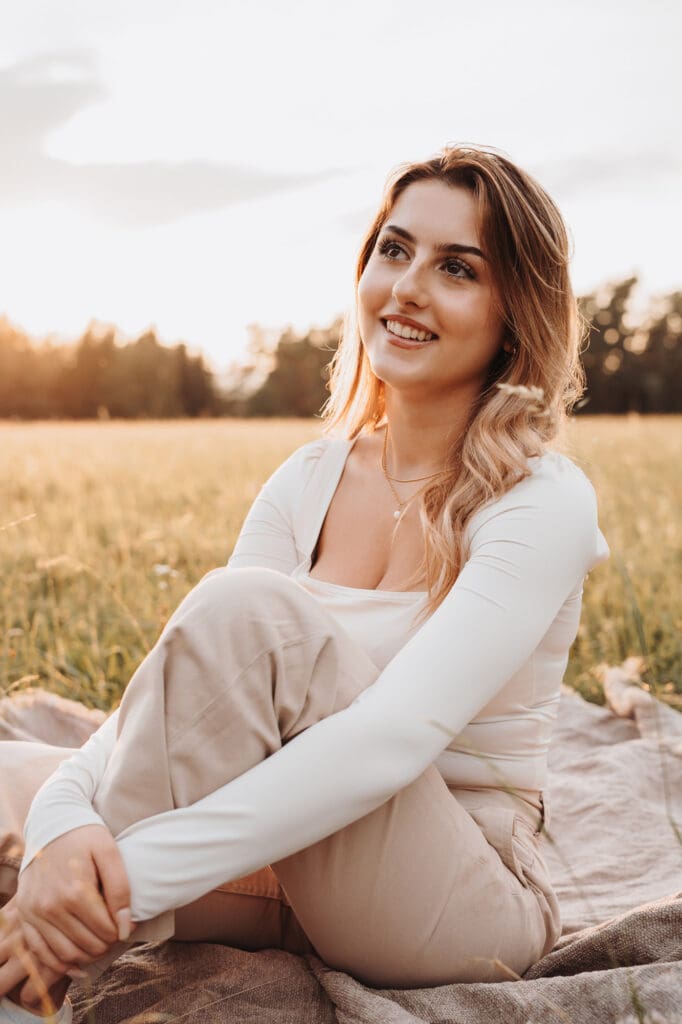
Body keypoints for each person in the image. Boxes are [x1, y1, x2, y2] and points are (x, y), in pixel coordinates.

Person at [0, 143, 609, 1023]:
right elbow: (175, 690)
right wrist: (64, 824)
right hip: (287, 864)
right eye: (393, 250)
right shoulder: (309, 477)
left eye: (457, 269)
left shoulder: (541, 499)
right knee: (19, 779)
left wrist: (121, 877)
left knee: (245, 608)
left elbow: (388, 740)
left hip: (454, 902)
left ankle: (49, 952)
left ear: (516, 312)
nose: (407, 288)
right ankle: (61, 907)